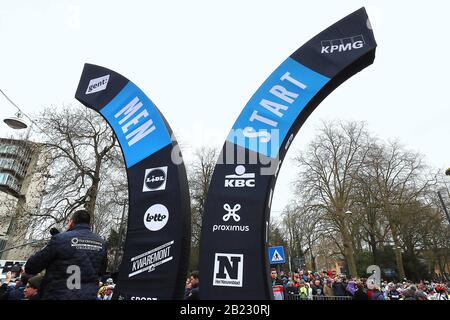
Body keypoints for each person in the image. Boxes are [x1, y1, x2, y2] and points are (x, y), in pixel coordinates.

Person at [25, 210, 108, 300]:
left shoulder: (60, 239)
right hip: (87, 296)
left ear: (72, 222)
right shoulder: (101, 243)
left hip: (59, 295)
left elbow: (31, 267)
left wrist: (58, 239)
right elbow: (101, 271)